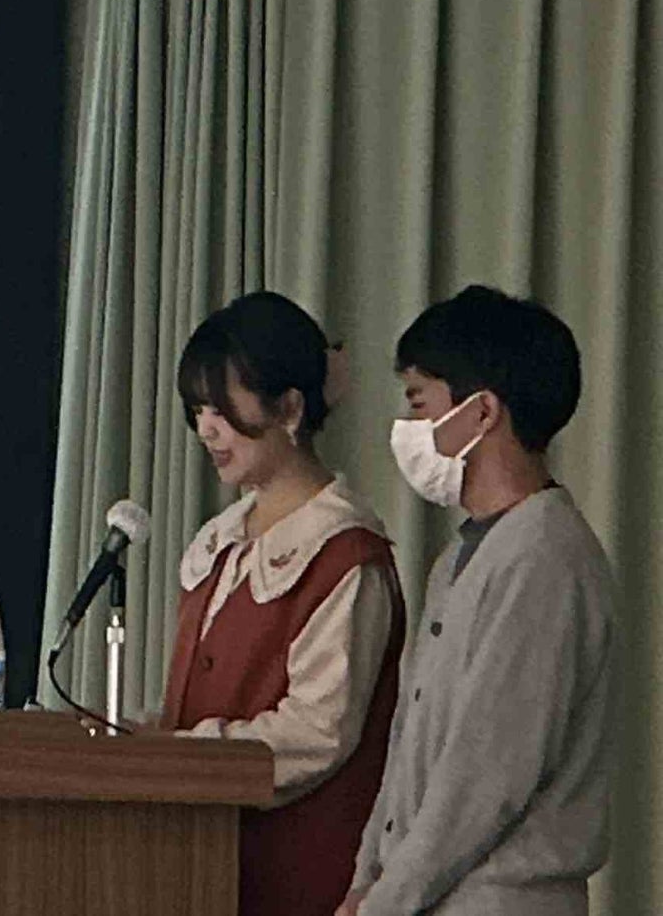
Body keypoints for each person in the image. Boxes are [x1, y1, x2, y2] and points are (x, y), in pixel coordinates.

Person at [341, 287, 614, 916]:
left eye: (419, 402)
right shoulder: (461, 558)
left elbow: (486, 776)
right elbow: (411, 746)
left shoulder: (545, 558)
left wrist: (386, 901)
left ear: (482, 411)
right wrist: (366, 878)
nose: (407, 427)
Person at [160, 292, 405, 916]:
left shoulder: (344, 553)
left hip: (298, 875)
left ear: (290, 408)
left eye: (222, 408)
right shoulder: (219, 545)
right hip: (200, 863)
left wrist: (179, 755)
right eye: (198, 410)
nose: (206, 429)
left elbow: (317, 732)